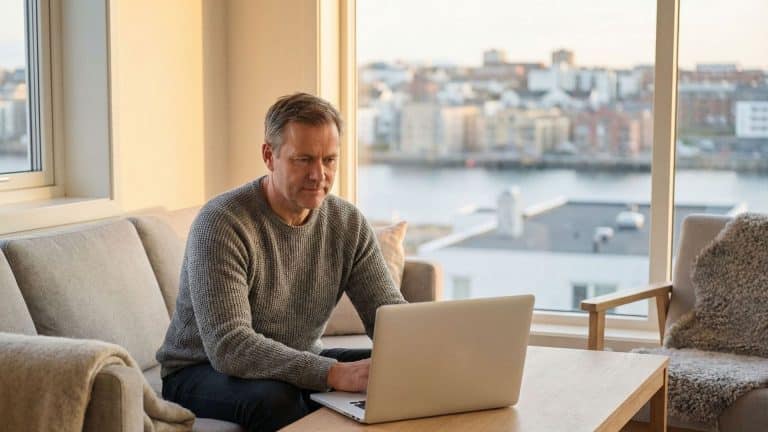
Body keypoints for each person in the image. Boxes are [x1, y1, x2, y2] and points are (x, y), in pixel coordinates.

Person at [156, 93, 406, 431]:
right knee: (277, 399)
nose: (319, 175)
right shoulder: (222, 223)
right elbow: (229, 346)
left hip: (294, 356)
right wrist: (332, 373)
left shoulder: (347, 223)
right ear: (268, 156)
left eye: (329, 160)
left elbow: (387, 315)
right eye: (303, 159)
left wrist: (423, 352)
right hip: (199, 370)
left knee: (391, 371)